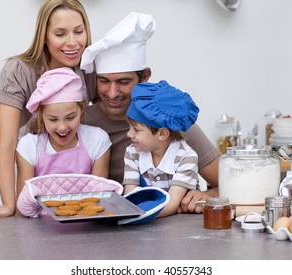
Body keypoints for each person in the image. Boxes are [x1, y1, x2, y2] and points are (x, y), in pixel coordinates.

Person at [0, 0, 95, 219]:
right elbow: (6, 145)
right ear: (44, 35)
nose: (72, 43)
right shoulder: (18, 71)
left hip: (72, 181)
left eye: (79, 32)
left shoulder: (89, 69)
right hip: (25, 181)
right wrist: (9, 205)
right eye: (60, 34)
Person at [80, 12, 220, 214]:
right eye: (103, 81)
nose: (111, 93)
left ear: (145, 77)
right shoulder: (82, 121)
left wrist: (209, 195)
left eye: (123, 82)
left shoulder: (171, 121)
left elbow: (228, 183)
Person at [16, 67, 111, 197]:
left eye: (70, 117)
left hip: (88, 217)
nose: (62, 127)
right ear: (41, 115)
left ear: (82, 109)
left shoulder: (97, 140)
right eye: (53, 119)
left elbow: (100, 198)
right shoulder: (29, 146)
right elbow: (24, 205)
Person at [123, 80, 200, 217]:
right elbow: (131, 196)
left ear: (162, 134)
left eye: (136, 129)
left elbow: (172, 203)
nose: (129, 134)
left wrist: (136, 216)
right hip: (145, 223)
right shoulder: (133, 152)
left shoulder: (186, 158)